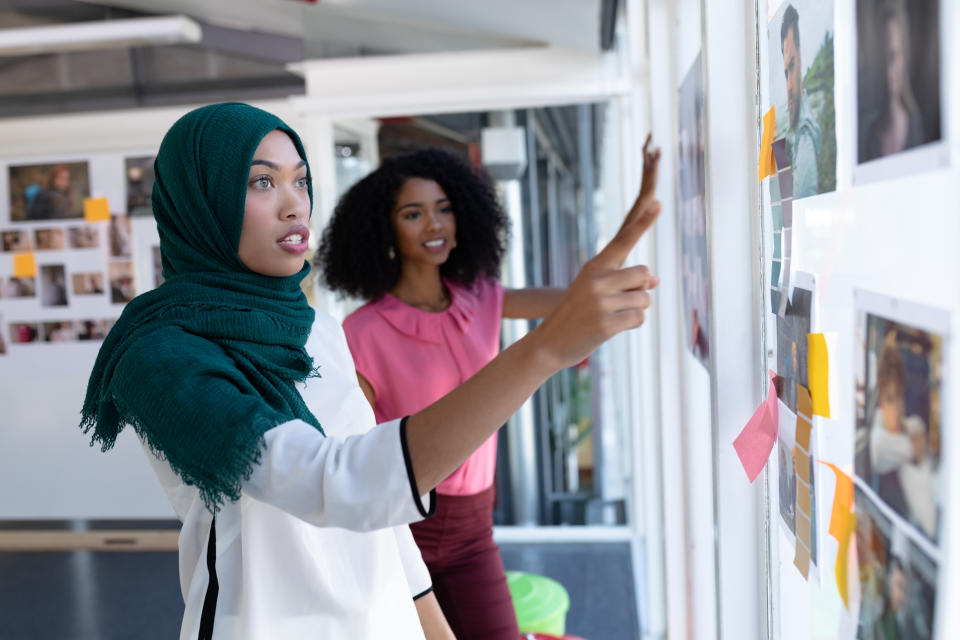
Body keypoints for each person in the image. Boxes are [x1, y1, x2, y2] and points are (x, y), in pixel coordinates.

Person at [79, 102, 661, 640]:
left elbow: (380, 528)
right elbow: (337, 482)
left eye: (299, 180)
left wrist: (434, 629)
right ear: (199, 199)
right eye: (262, 181)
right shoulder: (158, 355)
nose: (294, 203)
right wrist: (545, 351)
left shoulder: (318, 328)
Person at [317, 141, 660, 638]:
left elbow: (578, 302)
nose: (434, 225)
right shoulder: (362, 333)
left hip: (475, 528)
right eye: (413, 214)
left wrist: (636, 218)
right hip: (402, 529)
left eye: (444, 209)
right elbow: (361, 456)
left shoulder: (483, 299)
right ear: (385, 229)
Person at [869, 335, 937, 539]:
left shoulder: (912, 423)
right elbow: (915, 446)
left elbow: (920, 435)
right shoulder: (879, 441)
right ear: (880, 400)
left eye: (899, 397)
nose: (896, 409)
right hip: (918, 533)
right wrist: (913, 443)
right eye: (890, 399)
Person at [860, 0, 925, 162]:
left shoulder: (920, 131)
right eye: (881, 60)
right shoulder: (865, 137)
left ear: (904, 56)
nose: (888, 71)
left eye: (893, 56)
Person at [780, 4, 821, 198]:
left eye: (793, 66)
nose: (789, 85)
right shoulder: (795, 127)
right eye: (785, 72)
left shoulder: (804, 136)